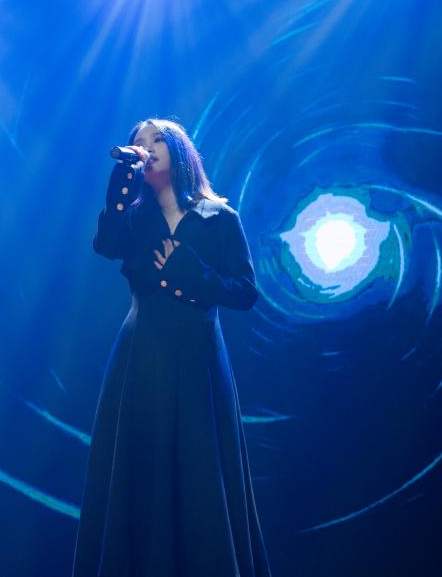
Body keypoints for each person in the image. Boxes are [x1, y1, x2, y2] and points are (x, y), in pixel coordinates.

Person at [73, 119, 270, 577]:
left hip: (200, 354)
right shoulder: (134, 218)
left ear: (179, 149)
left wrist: (191, 272)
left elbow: (246, 292)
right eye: (138, 143)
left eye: (156, 139)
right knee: (140, 466)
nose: (146, 147)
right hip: (142, 351)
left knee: (201, 469)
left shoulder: (220, 216)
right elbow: (106, 244)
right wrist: (121, 184)